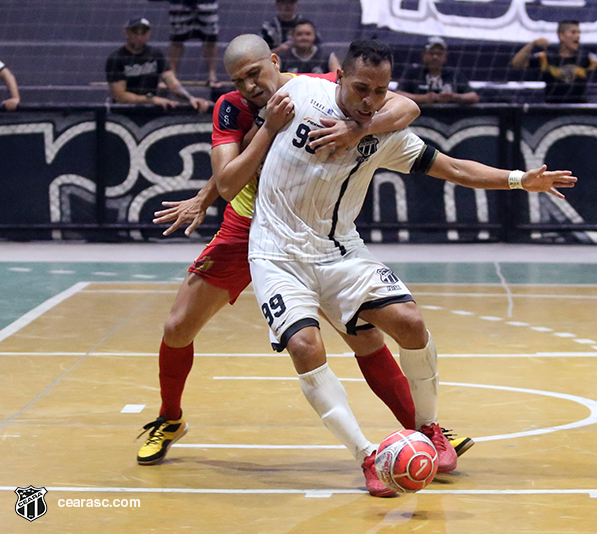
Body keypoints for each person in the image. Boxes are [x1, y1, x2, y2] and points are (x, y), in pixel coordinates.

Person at [238, 37, 575, 497]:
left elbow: (455, 168)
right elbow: (245, 119)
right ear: (338, 78)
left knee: (411, 323)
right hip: (276, 253)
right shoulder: (298, 96)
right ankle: (367, 456)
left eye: (380, 92)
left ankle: (430, 428)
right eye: (361, 88)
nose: (370, 100)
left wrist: (520, 180)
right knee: (305, 346)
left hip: (339, 251)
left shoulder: (382, 133)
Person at [136, 36, 474, 492]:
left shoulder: (316, 89)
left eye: (256, 73)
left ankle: (421, 433)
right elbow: (228, 174)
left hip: (317, 236)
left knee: (366, 336)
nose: (249, 85)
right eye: (239, 79)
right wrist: (207, 193)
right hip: (250, 229)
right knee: (177, 328)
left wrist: (361, 130)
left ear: (275, 62)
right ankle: (169, 418)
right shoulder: (232, 109)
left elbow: (403, 108)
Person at [105, 17, 212, 112]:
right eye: (135, 33)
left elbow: (171, 81)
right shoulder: (116, 59)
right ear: (127, 33)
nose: (139, 37)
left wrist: (190, 98)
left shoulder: (155, 54)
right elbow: (120, 96)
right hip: (124, 111)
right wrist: (151, 99)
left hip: (151, 110)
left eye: (143, 33)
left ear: (148, 34)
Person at [510, 20, 597, 103]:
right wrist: (532, 44)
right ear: (561, 36)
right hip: (550, 110)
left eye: (578, 32)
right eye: (573, 32)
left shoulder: (586, 57)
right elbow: (516, 63)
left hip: (579, 110)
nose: (577, 36)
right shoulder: (546, 57)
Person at [395, 36, 479, 106]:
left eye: (439, 54)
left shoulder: (454, 75)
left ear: (445, 57)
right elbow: (398, 95)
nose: (435, 57)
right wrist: (423, 98)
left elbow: (473, 97)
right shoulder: (413, 73)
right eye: (431, 53)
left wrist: (454, 96)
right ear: (424, 55)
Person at [166, 0, 221, 87]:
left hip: (206, 4)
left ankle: (212, 76)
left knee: (210, 40)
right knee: (177, 39)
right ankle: (171, 75)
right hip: (180, 4)